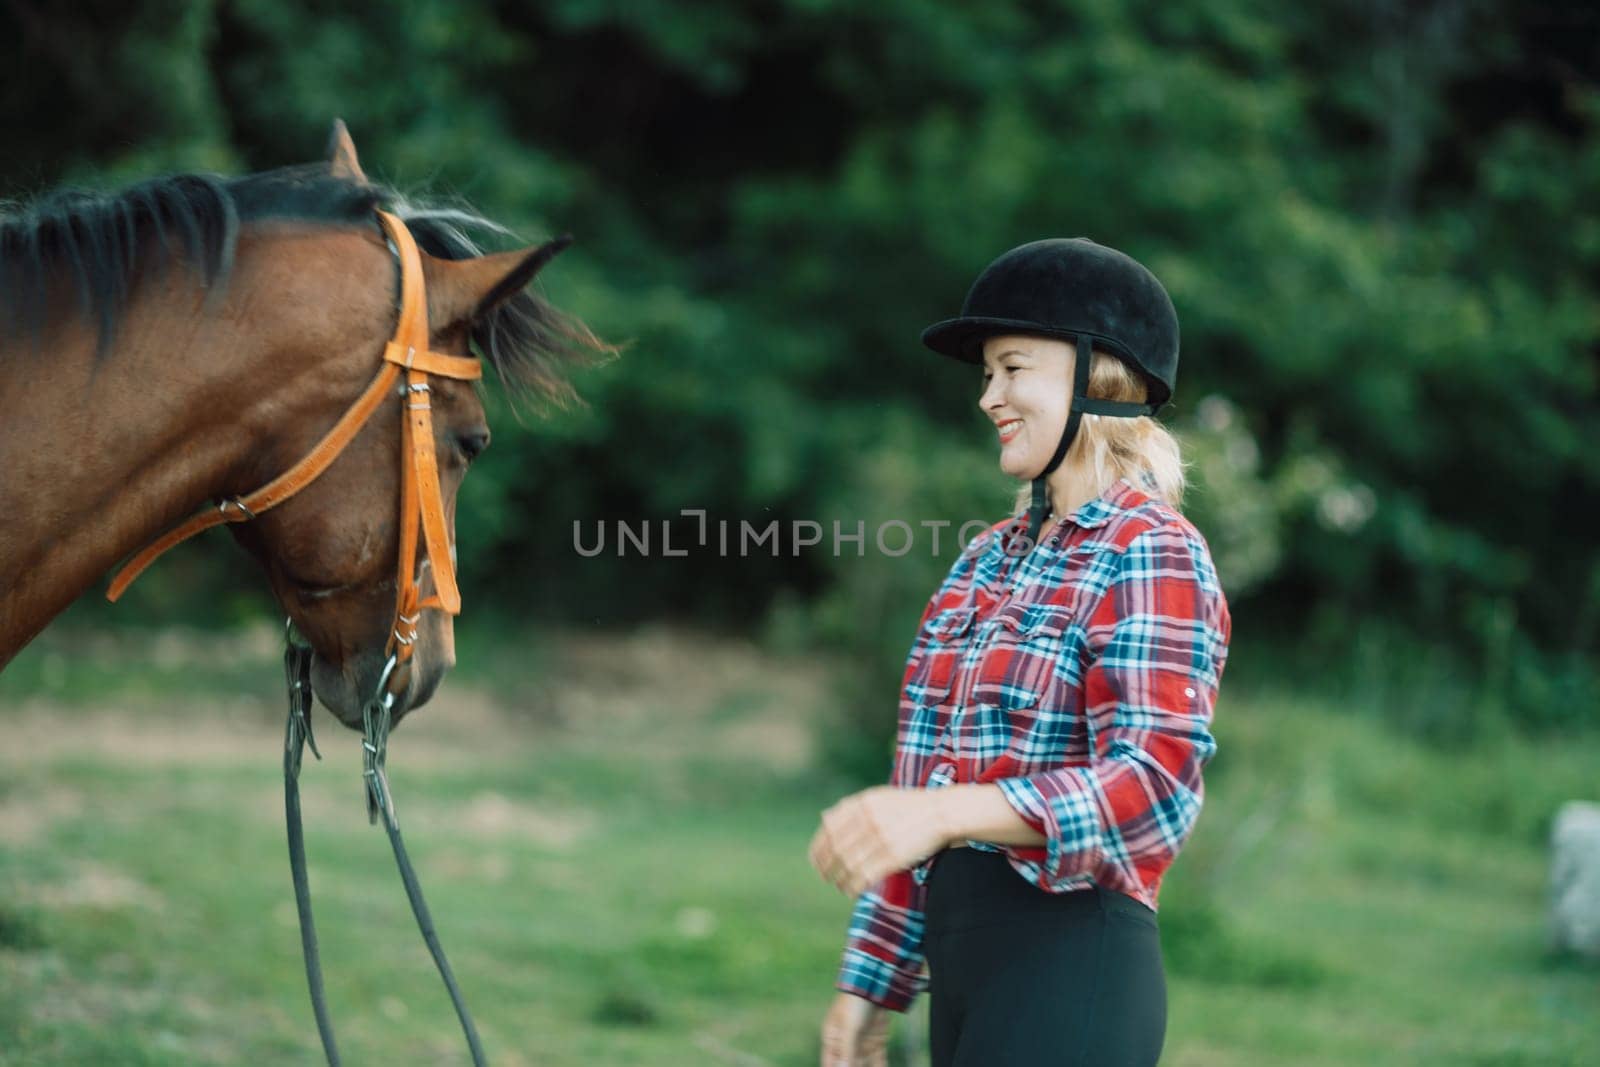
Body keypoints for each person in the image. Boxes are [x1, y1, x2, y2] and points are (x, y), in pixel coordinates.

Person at [807, 238, 1232, 1066]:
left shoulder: (1152, 548)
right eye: (986, 375)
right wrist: (868, 988)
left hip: (1075, 966)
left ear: (1096, 376)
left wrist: (945, 811)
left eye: (1012, 368)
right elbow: (917, 790)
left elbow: (1153, 786)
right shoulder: (980, 564)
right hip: (963, 980)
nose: (988, 397)